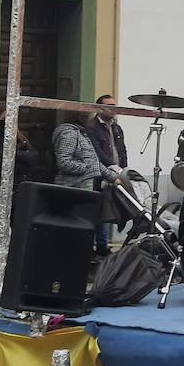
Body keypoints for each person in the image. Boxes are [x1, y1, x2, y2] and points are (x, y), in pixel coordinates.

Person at [52, 110, 105, 252]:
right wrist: (86, 169)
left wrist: (114, 176)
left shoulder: (81, 133)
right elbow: (64, 162)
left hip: (82, 190)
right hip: (72, 190)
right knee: (73, 231)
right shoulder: (70, 134)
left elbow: (94, 162)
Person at [0, 102, 40, 233]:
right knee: (2, 232)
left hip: (20, 190)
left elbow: (34, 157)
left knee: (19, 230)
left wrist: (15, 154)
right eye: (4, 118)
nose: (9, 121)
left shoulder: (21, 138)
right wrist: (21, 156)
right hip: (0, 191)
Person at [85, 95, 129, 255]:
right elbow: (97, 152)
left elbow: (122, 150)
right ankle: (93, 246)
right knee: (96, 210)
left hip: (116, 174)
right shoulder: (91, 127)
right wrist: (113, 169)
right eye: (109, 105)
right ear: (99, 108)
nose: (113, 108)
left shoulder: (116, 127)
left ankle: (103, 246)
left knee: (109, 209)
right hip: (99, 174)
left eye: (115, 105)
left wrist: (123, 170)